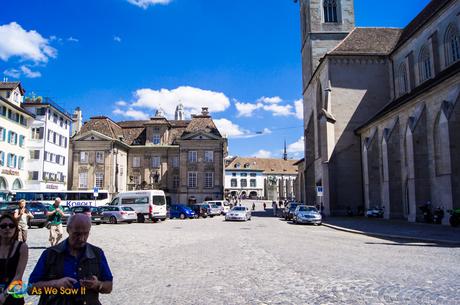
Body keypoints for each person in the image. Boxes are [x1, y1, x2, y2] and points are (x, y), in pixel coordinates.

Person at [29, 214, 113, 305]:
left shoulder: (97, 254)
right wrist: (55, 284)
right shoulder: (50, 254)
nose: (82, 239)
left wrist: (97, 285)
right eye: (77, 234)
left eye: (86, 233)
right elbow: (31, 288)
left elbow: (109, 287)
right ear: (68, 230)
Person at [0, 214, 29, 305]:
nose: (7, 228)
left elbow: (18, 275)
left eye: (11, 226)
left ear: (15, 228)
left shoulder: (22, 247)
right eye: (3, 226)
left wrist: (4, 295)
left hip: (14, 291)